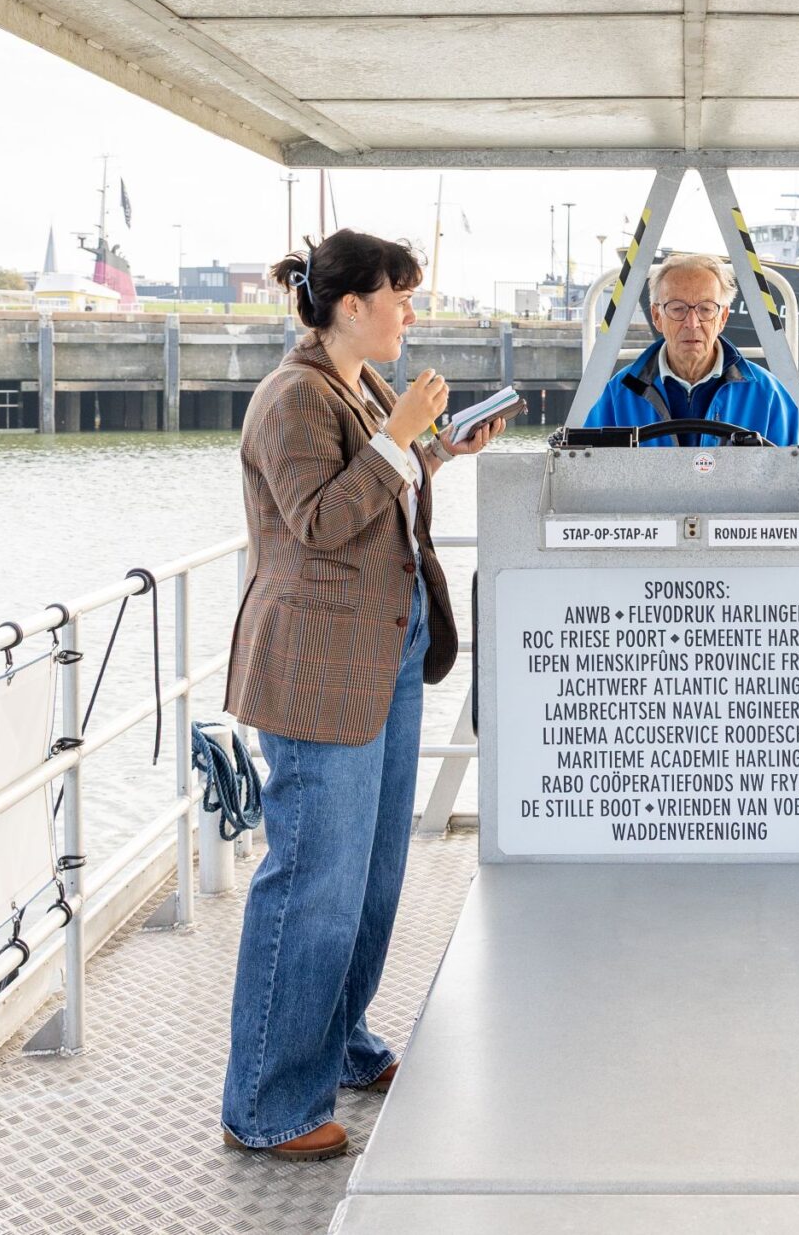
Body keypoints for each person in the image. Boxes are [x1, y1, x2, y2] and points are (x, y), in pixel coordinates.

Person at [220, 230, 509, 1161]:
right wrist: (397, 437)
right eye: (402, 295)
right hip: (320, 669)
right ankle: (266, 1104)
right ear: (352, 304)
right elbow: (320, 521)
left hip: (382, 653)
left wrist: (441, 450)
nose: (410, 313)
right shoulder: (294, 397)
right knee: (312, 885)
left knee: (373, 877)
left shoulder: (357, 386)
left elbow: (383, 489)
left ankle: (337, 1042)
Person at [583, 252, 799, 447]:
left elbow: (796, 479)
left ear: (722, 317)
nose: (692, 323)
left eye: (706, 309)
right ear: (657, 317)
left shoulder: (769, 395)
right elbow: (588, 471)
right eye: (677, 308)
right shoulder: (619, 395)